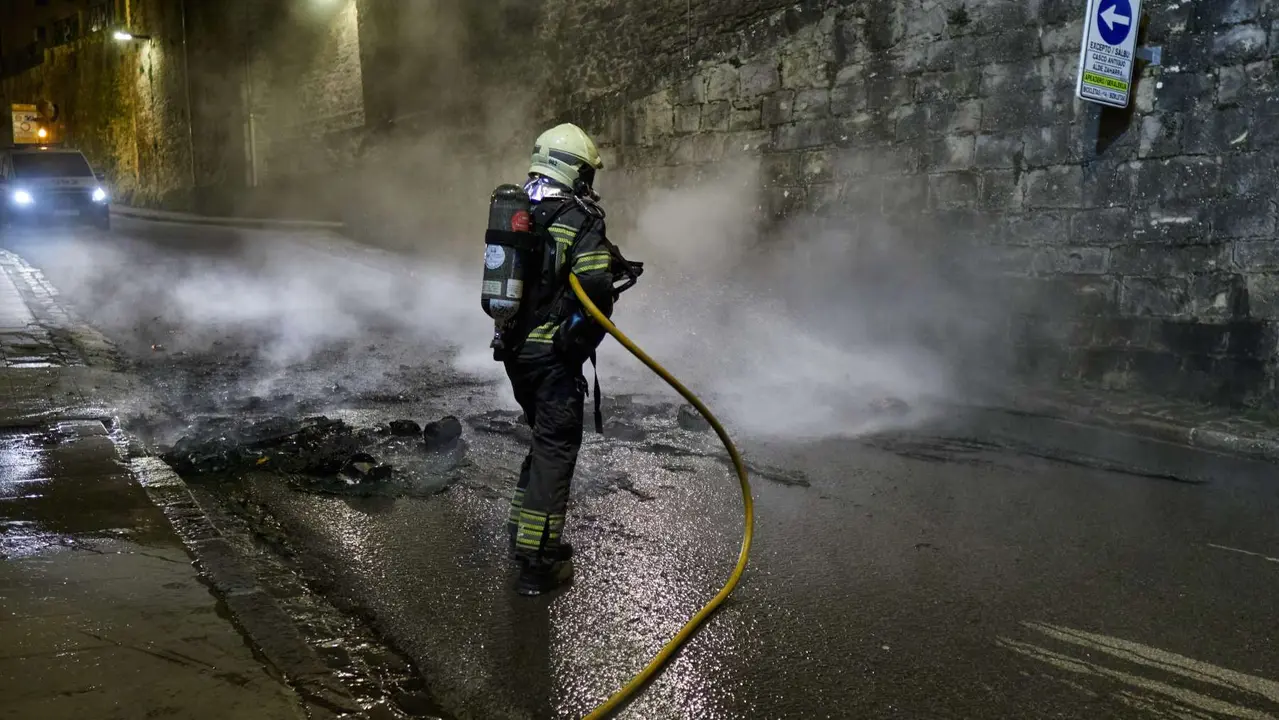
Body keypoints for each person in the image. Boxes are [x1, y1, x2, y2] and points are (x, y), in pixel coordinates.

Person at [499, 123, 624, 596]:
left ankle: (523, 533)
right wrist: (577, 342)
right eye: (587, 173)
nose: (590, 183)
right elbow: (593, 287)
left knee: (544, 438)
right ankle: (537, 563)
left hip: (515, 353)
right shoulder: (578, 216)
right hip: (551, 358)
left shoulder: (518, 210)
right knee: (556, 449)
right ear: (574, 170)